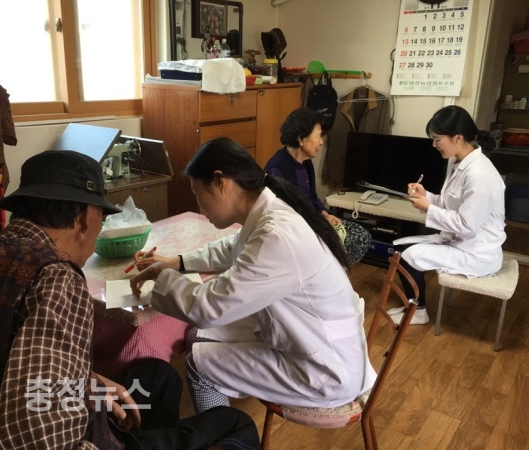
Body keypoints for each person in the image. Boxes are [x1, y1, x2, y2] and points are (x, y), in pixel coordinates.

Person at [0, 150, 260, 450]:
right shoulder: (55, 276)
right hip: (60, 438)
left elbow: (15, 380)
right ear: (86, 218)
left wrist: (88, 385)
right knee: (235, 423)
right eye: (102, 217)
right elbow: (32, 438)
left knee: (158, 377)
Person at [130, 137, 376, 415]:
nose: (199, 205)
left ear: (220, 182)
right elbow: (231, 248)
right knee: (199, 335)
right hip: (308, 339)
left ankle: (221, 434)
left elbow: (209, 308)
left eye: (198, 194)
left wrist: (163, 278)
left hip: (325, 368)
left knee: (198, 363)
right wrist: (176, 262)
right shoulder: (271, 212)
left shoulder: (277, 235)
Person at [389, 105, 506, 325]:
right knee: (399, 247)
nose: (434, 145)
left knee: (407, 257)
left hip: (477, 252)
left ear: (457, 138)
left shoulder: (480, 174)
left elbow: (467, 225)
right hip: (460, 240)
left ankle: (418, 312)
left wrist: (428, 208)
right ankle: (412, 306)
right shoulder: (458, 161)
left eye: (437, 139)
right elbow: (452, 203)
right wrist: (427, 196)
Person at [264, 108, 372, 264]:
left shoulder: (306, 161)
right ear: (301, 139)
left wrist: (325, 213)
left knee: (361, 235)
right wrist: (320, 222)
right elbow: (282, 213)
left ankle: (332, 271)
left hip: (312, 220)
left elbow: (312, 196)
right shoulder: (278, 168)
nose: (321, 142)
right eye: (318, 136)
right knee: (355, 239)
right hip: (294, 229)